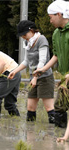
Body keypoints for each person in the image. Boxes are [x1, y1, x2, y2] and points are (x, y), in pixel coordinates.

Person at [8, 20, 55, 123]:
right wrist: (15, 71)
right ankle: (30, 135)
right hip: (33, 78)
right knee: (30, 108)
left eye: (24, 34)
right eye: (21, 35)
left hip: (44, 77)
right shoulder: (27, 42)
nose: (23, 37)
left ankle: (54, 133)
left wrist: (35, 77)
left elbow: (42, 61)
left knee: (48, 107)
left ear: (31, 30)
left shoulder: (41, 40)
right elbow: (26, 61)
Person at [33, 0, 69, 128]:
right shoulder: (56, 33)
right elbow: (56, 55)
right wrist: (42, 69)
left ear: (59, 14)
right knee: (59, 108)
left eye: (51, 17)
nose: (50, 21)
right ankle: (61, 139)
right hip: (65, 78)